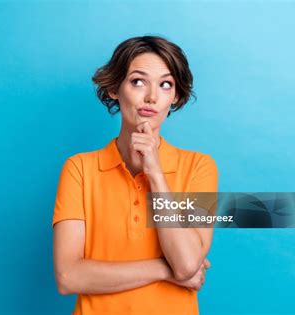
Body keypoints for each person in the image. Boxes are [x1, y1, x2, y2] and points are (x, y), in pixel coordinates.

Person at [52, 35, 219, 315]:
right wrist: (165, 270)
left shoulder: (199, 167)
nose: (152, 97)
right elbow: (68, 277)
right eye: (138, 81)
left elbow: (188, 264)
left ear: (175, 96)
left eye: (166, 85)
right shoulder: (79, 169)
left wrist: (155, 173)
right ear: (115, 88)